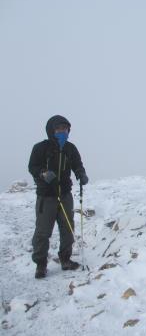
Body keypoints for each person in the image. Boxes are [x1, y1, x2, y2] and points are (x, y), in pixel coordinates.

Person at [28, 115, 89, 279]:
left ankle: (65, 259)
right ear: (51, 130)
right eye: (59, 129)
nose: (62, 131)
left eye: (65, 129)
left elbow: (77, 164)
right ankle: (40, 265)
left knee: (67, 228)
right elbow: (32, 166)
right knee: (43, 232)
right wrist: (43, 173)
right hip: (46, 196)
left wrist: (81, 174)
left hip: (65, 194)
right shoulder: (40, 148)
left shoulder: (70, 148)